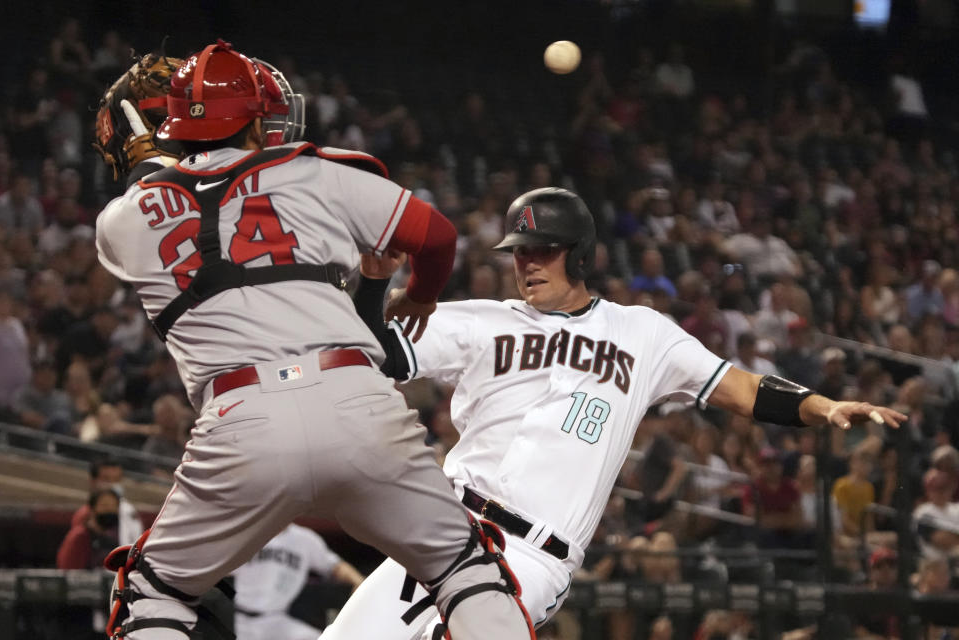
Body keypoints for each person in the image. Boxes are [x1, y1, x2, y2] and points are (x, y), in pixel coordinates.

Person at [323, 187, 906, 638]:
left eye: (542, 251)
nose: (526, 264)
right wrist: (375, 283)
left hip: (530, 556)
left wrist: (824, 406)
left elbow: (742, 388)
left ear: (579, 255)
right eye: (519, 253)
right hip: (445, 528)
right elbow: (367, 351)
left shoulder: (642, 333)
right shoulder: (483, 320)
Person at [94, 41, 533, 640]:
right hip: (355, 398)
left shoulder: (121, 221)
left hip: (239, 420)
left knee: (154, 594)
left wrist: (154, 157)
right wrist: (423, 296)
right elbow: (436, 236)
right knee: (463, 570)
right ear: (252, 119)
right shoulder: (313, 171)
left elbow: (163, 195)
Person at [231, 524, 363, 640]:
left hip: (278, 618)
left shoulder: (304, 539)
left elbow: (336, 566)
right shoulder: (246, 535)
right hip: (246, 621)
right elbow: (215, 567)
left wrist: (362, 585)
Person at [70, 457, 143, 546]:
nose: (113, 484)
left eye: (117, 480)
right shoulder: (83, 514)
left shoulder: (129, 510)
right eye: (106, 479)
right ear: (93, 481)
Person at [57, 487, 121, 569]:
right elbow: (69, 571)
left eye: (114, 506)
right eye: (104, 505)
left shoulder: (111, 538)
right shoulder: (79, 536)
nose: (110, 510)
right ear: (92, 509)